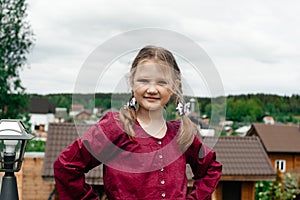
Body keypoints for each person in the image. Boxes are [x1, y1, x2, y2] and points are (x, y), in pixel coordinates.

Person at [54, 45, 222, 200]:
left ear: (174, 87)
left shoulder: (181, 134)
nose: (152, 89)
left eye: (162, 82)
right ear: (132, 82)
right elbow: (66, 167)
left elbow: (210, 168)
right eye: (144, 80)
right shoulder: (115, 127)